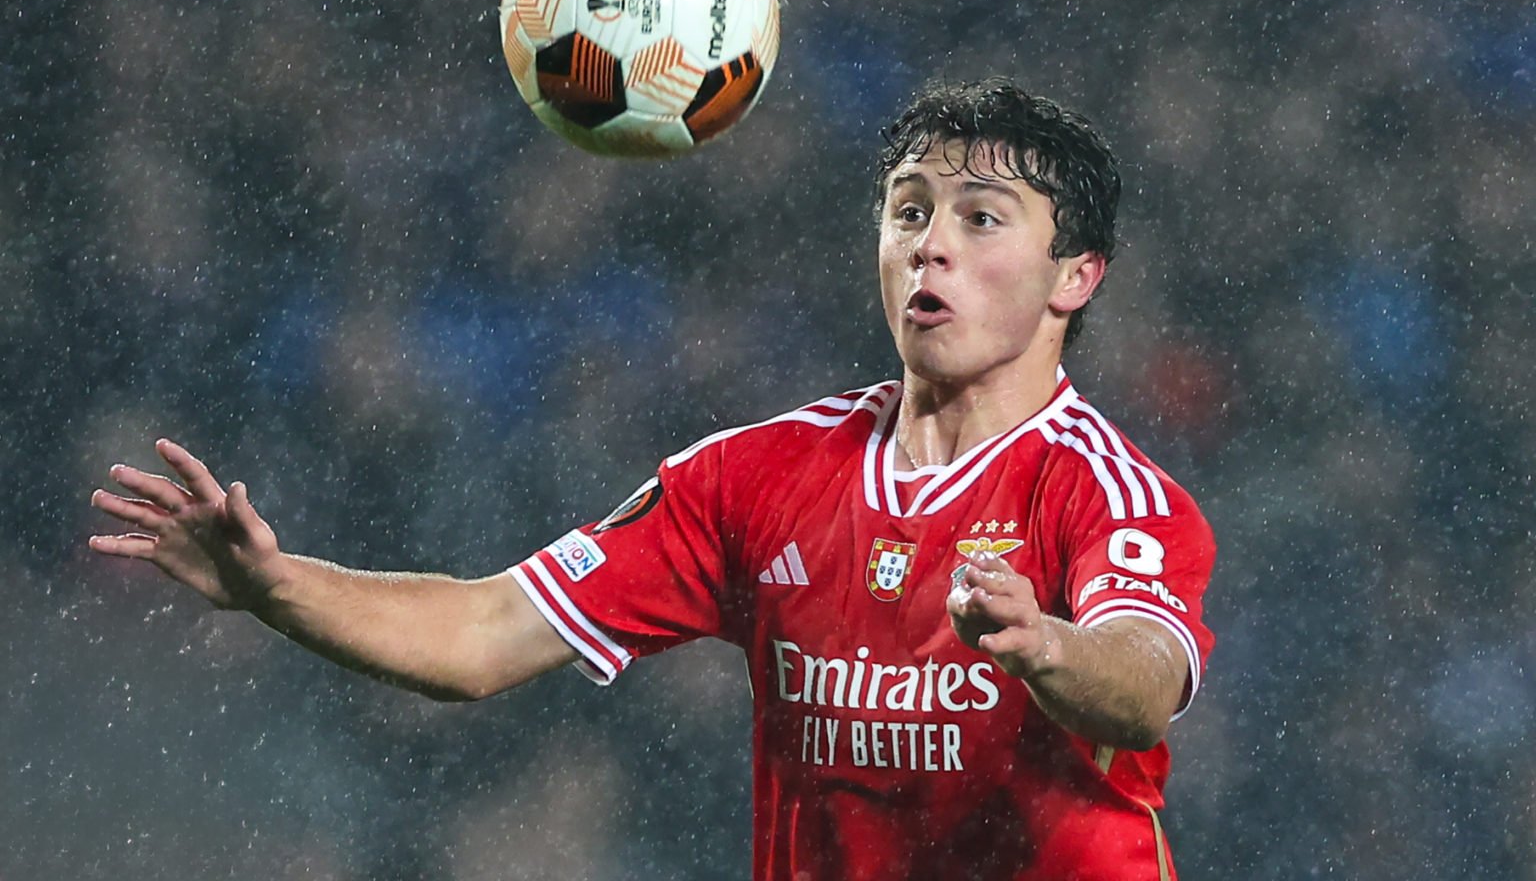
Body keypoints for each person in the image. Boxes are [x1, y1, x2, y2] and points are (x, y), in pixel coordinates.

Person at [90, 79, 1216, 881]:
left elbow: (1147, 678)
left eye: (981, 219)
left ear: (1076, 276)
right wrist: (277, 587)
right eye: (909, 210)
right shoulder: (755, 476)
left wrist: (1049, 646)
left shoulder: (1107, 492)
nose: (930, 245)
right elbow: (482, 635)